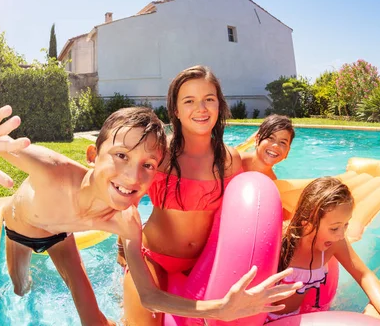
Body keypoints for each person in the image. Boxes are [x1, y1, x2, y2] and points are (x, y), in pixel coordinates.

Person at [0, 82, 299, 326]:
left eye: (148, 165)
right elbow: (1, 144)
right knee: (21, 285)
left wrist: (221, 308)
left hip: (64, 235)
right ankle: (22, 277)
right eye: (121, 156)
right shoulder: (53, 172)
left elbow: (150, 296)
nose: (131, 176)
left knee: (93, 321)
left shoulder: (125, 220)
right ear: (93, 156)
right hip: (23, 228)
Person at [124, 65, 293, 325]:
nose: (201, 108)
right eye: (189, 101)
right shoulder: (160, 154)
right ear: (176, 111)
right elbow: (125, 198)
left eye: (209, 100)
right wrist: (125, 247)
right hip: (153, 258)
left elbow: (256, 190)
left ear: (219, 106)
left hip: (202, 265)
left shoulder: (229, 160)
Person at [268, 177, 380, 326]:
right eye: (334, 228)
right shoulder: (280, 239)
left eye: (346, 224)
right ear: (307, 223)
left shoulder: (335, 242)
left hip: (295, 318)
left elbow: (364, 275)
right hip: (262, 319)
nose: (341, 235)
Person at [241, 114, 295, 180]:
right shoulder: (235, 161)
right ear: (257, 140)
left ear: (287, 152)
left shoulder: (273, 181)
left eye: (283, 142)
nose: (276, 145)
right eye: (271, 138)